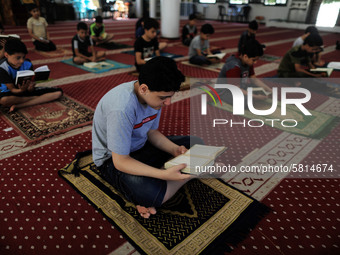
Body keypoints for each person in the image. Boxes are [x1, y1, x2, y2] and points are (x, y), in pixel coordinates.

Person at [92, 56, 203, 219]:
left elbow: (151, 132)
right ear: (144, 88)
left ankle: (167, 176)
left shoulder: (153, 96)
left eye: (170, 97)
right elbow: (120, 161)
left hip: (140, 146)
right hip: (112, 160)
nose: (168, 103)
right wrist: (163, 175)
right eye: (163, 98)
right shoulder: (121, 108)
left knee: (196, 143)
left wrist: (174, 149)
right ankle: (189, 174)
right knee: (151, 194)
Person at [0, 38, 62, 112]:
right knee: (4, 100)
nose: (22, 61)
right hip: (10, 93)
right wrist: (21, 90)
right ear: (6, 55)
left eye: (23, 57)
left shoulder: (27, 64)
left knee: (58, 93)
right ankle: (38, 98)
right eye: (18, 58)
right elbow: (12, 89)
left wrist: (31, 87)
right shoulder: (2, 68)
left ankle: (20, 105)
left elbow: (31, 82)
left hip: (25, 92)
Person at [216, 39, 272, 106]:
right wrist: (256, 97)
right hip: (226, 91)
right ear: (245, 56)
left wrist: (269, 89)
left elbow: (254, 80)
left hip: (240, 86)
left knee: (260, 90)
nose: (255, 62)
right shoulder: (234, 66)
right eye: (254, 60)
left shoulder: (248, 62)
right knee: (245, 102)